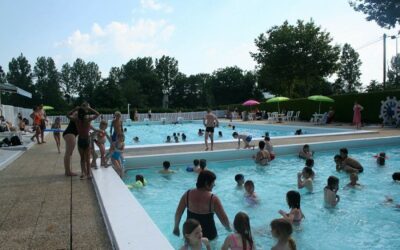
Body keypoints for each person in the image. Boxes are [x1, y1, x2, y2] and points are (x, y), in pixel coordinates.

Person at [173, 170, 231, 241]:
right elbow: (224, 220)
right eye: (213, 182)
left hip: (191, 235)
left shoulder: (187, 194)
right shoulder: (213, 199)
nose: (214, 184)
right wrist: (230, 230)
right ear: (207, 183)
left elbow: (178, 213)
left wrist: (176, 227)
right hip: (209, 236)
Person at [67, 104, 99, 179]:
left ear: (78, 112)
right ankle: (88, 174)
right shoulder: (87, 119)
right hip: (86, 139)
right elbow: (97, 114)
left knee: (82, 158)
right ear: (85, 113)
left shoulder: (76, 119)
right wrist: (90, 108)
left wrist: (75, 109)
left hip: (80, 140)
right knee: (87, 158)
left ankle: (83, 173)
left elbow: (67, 115)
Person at [62, 112, 79, 177]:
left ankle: (67, 171)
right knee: (68, 154)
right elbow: (68, 115)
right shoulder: (76, 115)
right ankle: (68, 172)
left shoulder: (78, 115)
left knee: (68, 153)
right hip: (70, 134)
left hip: (69, 134)